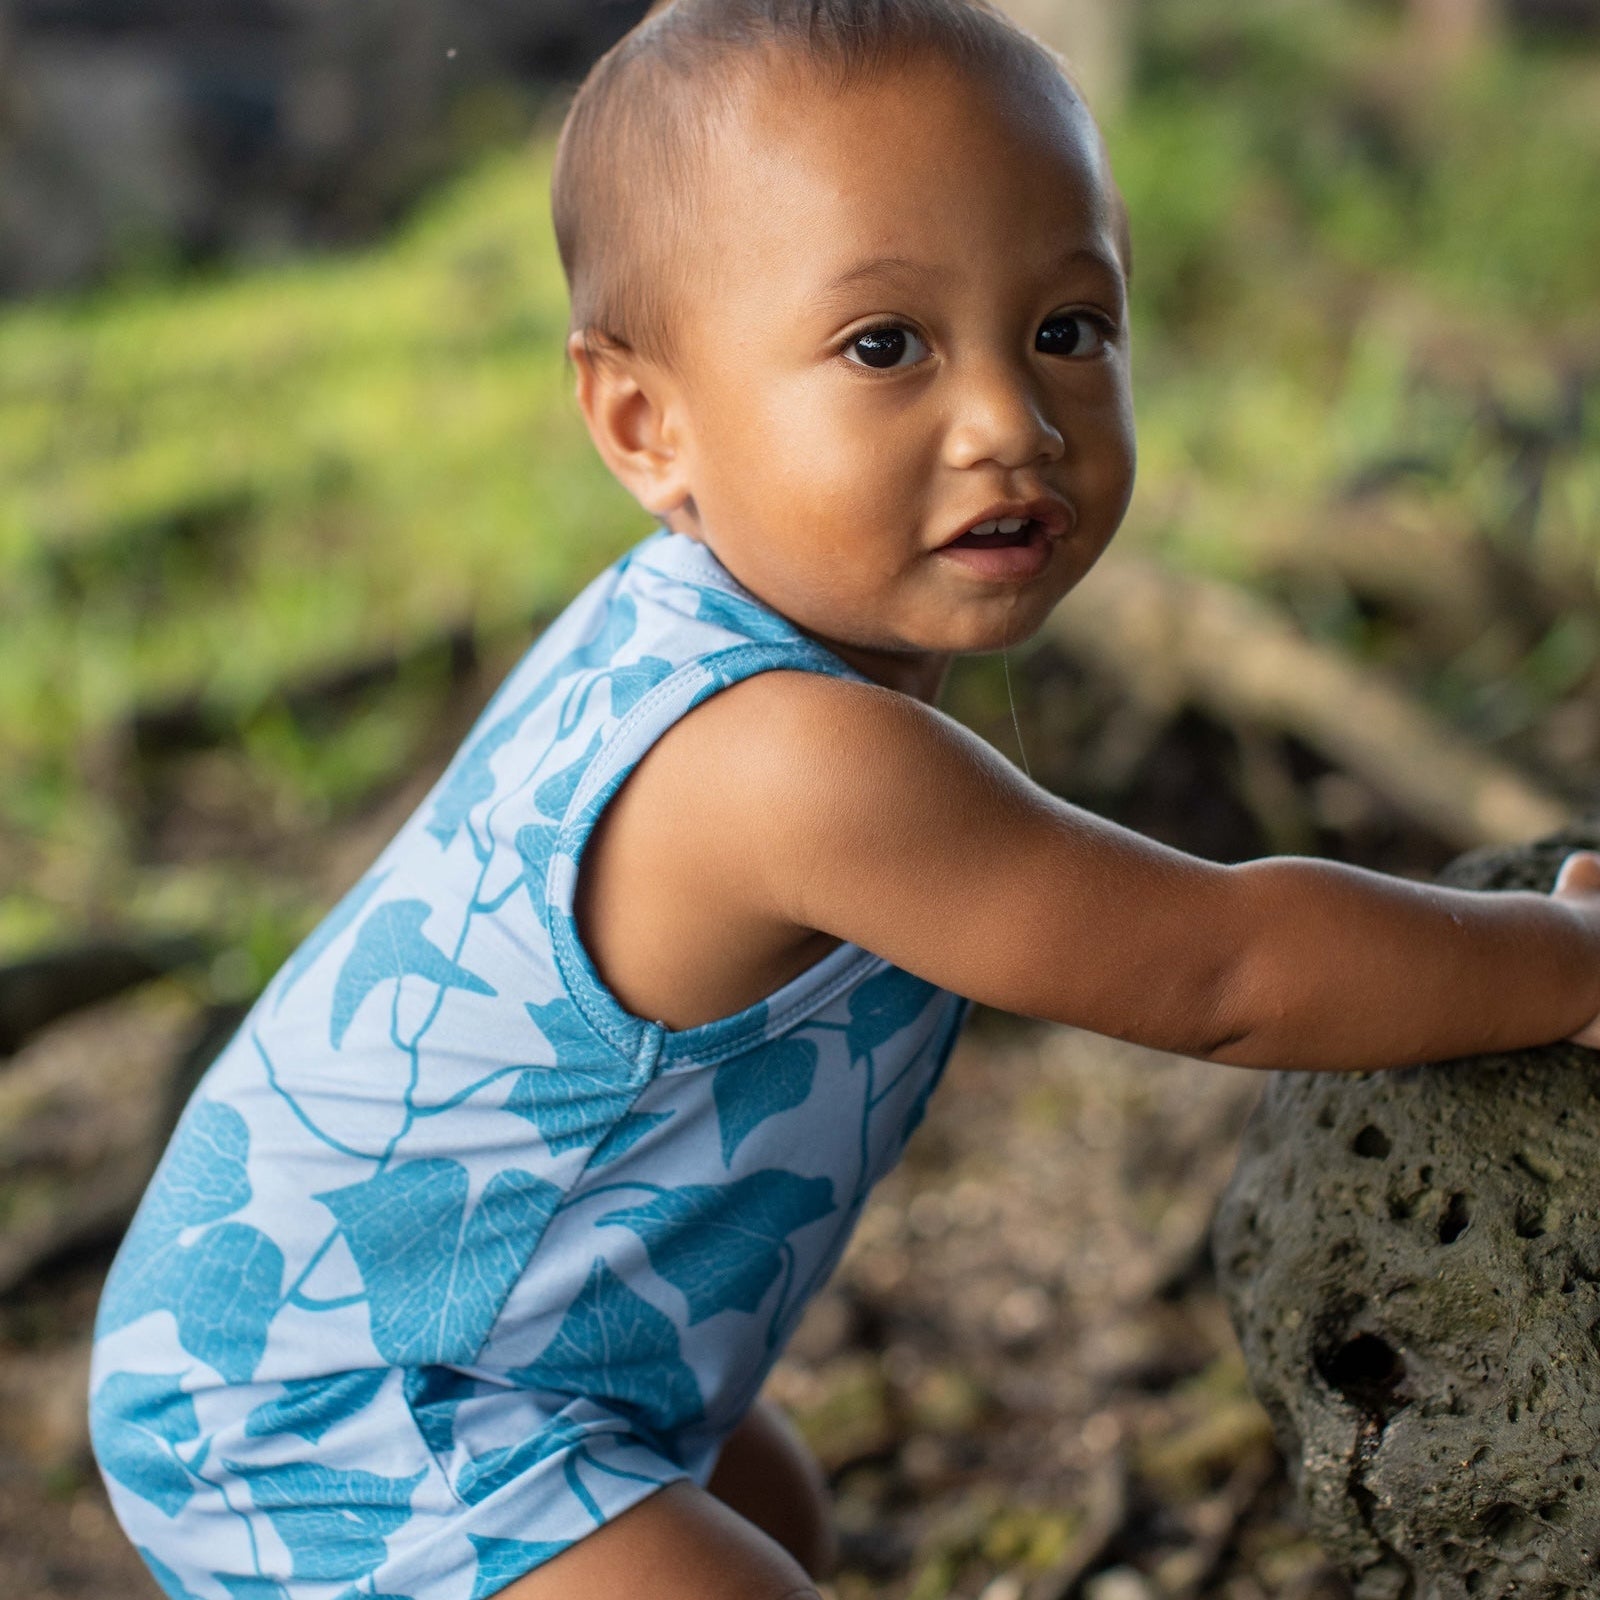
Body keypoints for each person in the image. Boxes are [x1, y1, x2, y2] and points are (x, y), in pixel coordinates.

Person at [88, 3, 1600, 1598]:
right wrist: (1565, 966)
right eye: (886, 347)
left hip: (507, 1348)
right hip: (336, 1413)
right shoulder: (782, 759)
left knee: (767, 1513)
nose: (1011, 423)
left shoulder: (712, 619)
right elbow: (1219, 969)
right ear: (644, 424)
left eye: (1068, 331)